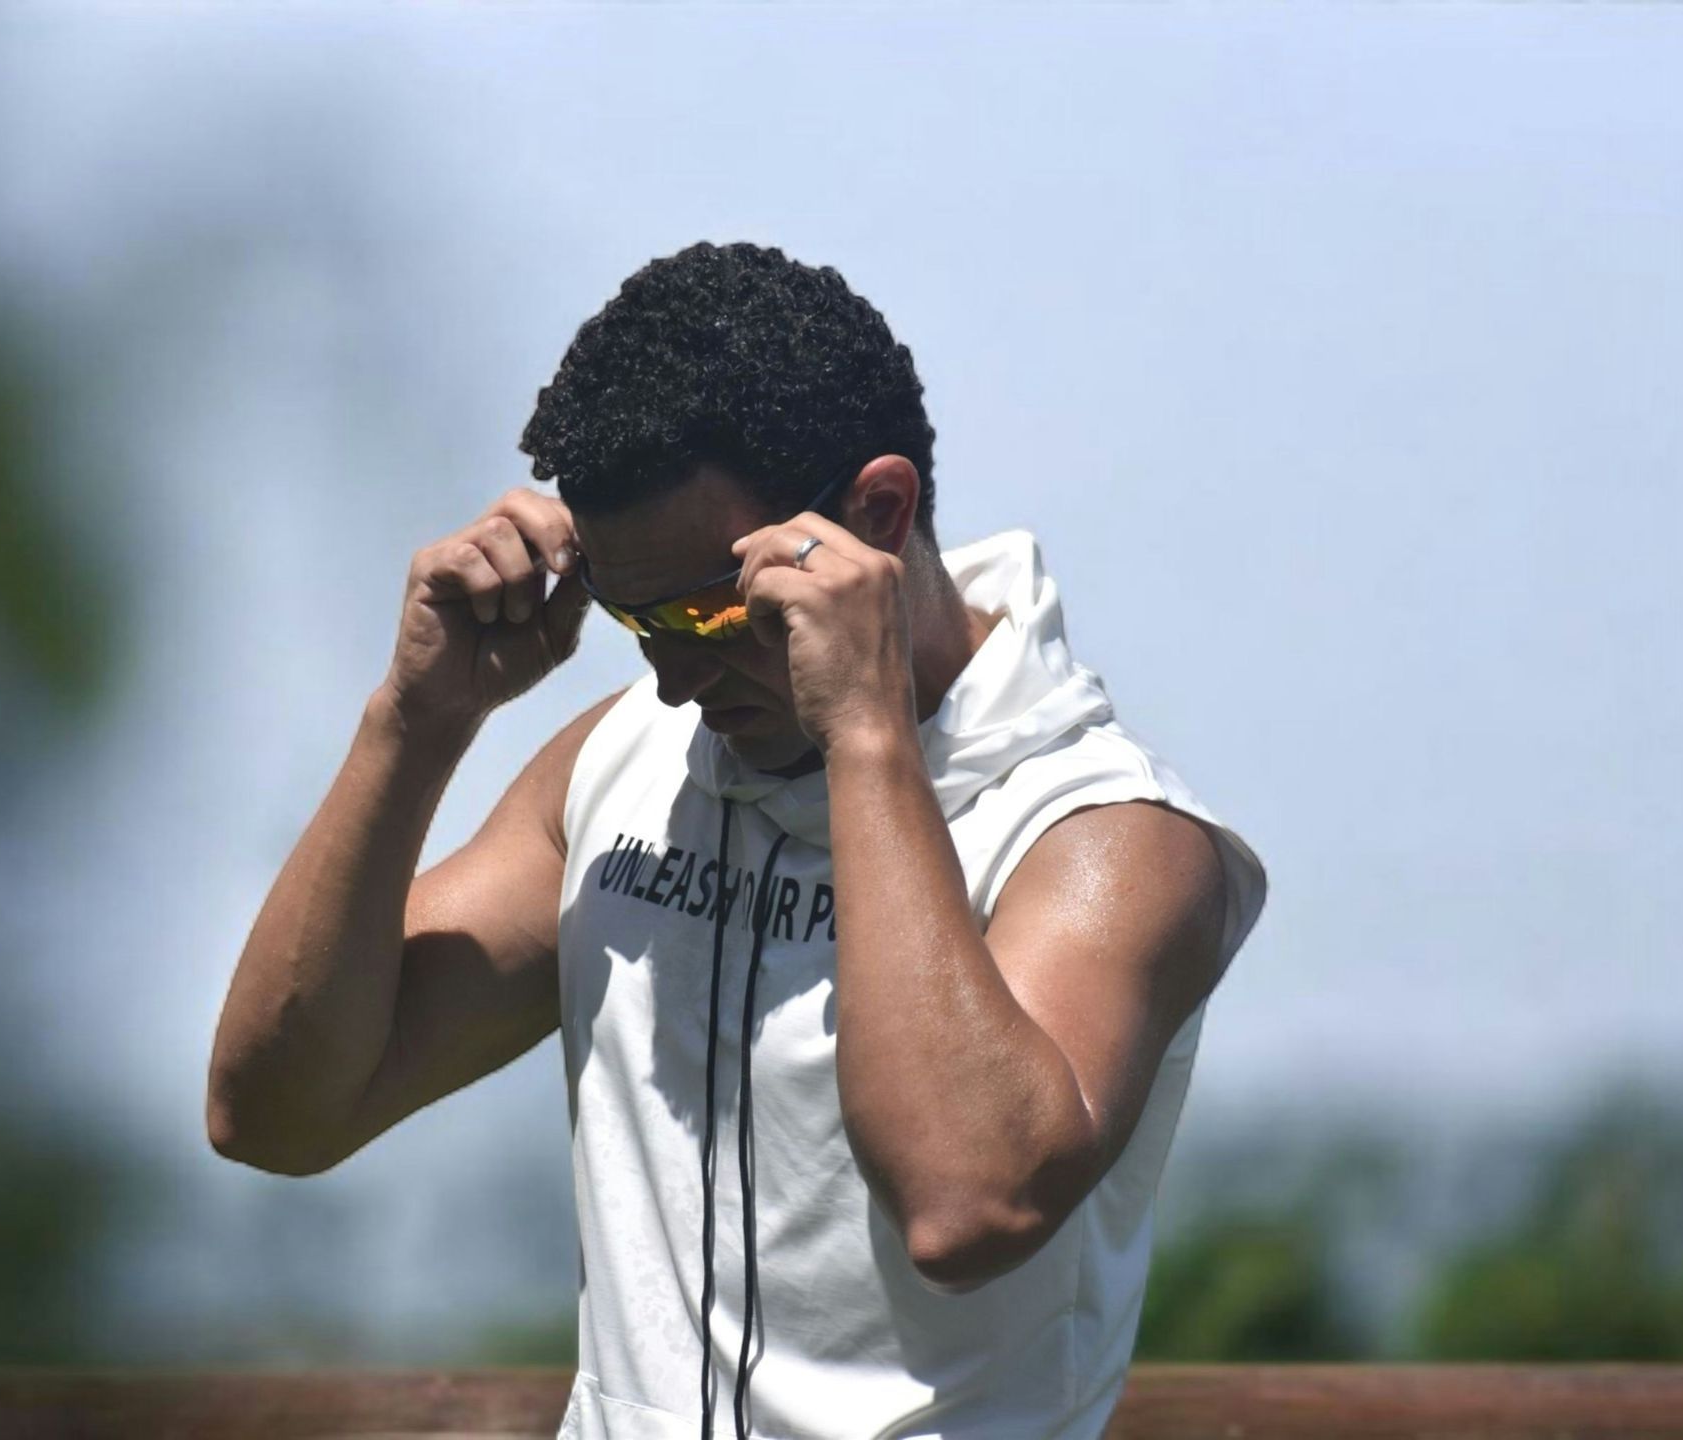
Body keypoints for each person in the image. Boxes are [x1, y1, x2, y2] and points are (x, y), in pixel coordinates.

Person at [207, 241, 1268, 1440]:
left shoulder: (1108, 837)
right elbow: (278, 1114)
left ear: (877, 511)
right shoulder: (627, 764)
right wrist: (413, 723)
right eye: (633, 619)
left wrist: (865, 730)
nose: (672, 681)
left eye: (714, 610)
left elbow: (967, 1203)